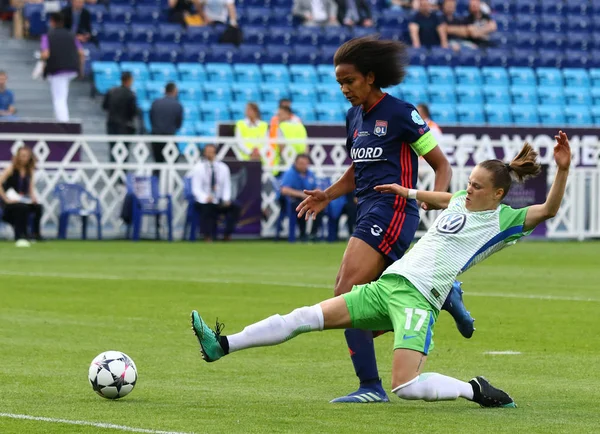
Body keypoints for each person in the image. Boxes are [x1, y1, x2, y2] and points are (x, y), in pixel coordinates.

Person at [191, 131, 572, 408]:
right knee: (304, 316)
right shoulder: (460, 199)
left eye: (476, 186)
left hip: (420, 298)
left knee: (404, 387)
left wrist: (563, 170)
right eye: (468, 182)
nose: (468, 189)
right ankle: (222, 345)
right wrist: (405, 191)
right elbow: (441, 196)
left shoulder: (504, 221)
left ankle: (474, 389)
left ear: (498, 194)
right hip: (388, 286)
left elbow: (550, 210)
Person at [294, 35, 472, 403]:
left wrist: (439, 199)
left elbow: (441, 163)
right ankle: (440, 298)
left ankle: (371, 387)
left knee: (345, 293)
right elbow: (357, 169)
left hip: (392, 209)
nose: (344, 89)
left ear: (371, 77)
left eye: (350, 81)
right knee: (369, 302)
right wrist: (327, 193)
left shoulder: (401, 113)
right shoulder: (353, 117)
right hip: (367, 209)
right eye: (340, 83)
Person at [40, 12, 85, 122]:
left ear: (52, 21)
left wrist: (41, 64)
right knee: (61, 95)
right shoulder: (71, 35)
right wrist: (81, 69)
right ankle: (58, 120)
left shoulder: (47, 36)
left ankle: (64, 124)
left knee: (59, 99)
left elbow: (45, 54)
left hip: (57, 70)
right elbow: (81, 53)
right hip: (71, 69)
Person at [191, 144, 240, 242]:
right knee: (207, 208)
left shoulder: (223, 168)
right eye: (207, 152)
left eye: (211, 152)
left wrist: (226, 199)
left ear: (215, 153)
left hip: (218, 199)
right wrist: (205, 197)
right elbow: (196, 188)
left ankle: (227, 234)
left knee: (236, 207)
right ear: (204, 153)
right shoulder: (198, 168)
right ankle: (207, 235)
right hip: (204, 200)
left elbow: (227, 185)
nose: (209, 154)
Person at [0, 146, 44, 246]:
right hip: (10, 202)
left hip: (23, 199)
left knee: (38, 207)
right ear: (18, 156)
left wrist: (33, 198)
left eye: (27, 156)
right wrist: (6, 199)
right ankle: (20, 235)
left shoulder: (30, 170)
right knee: (22, 208)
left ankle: (35, 234)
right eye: (22, 156)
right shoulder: (11, 168)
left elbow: (30, 188)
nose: (25, 158)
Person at [280, 154, 323, 242]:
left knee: (320, 206)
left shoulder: (310, 174)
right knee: (300, 207)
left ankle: (313, 234)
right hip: (291, 201)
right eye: (301, 163)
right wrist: (301, 194)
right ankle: (302, 234)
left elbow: (316, 187)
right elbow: (284, 190)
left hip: (307, 199)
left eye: (305, 164)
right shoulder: (290, 173)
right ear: (295, 163)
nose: (303, 166)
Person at [150, 82, 183, 177]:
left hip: (156, 136)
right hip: (169, 137)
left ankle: (156, 184)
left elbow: (151, 118)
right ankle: (170, 182)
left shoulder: (155, 103)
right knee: (172, 161)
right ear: (174, 91)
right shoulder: (177, 105)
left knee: (157, 162)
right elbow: (178, 123)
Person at [103, 72, 137, 164]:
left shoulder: (111, 91)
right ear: (129, 80)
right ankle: (121, 174)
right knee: (124, 152)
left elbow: (104, 106)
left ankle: (113, 173)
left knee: (113, 150)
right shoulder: (130, 94)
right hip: (125, 127)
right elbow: (133, 112)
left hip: (111, 125)